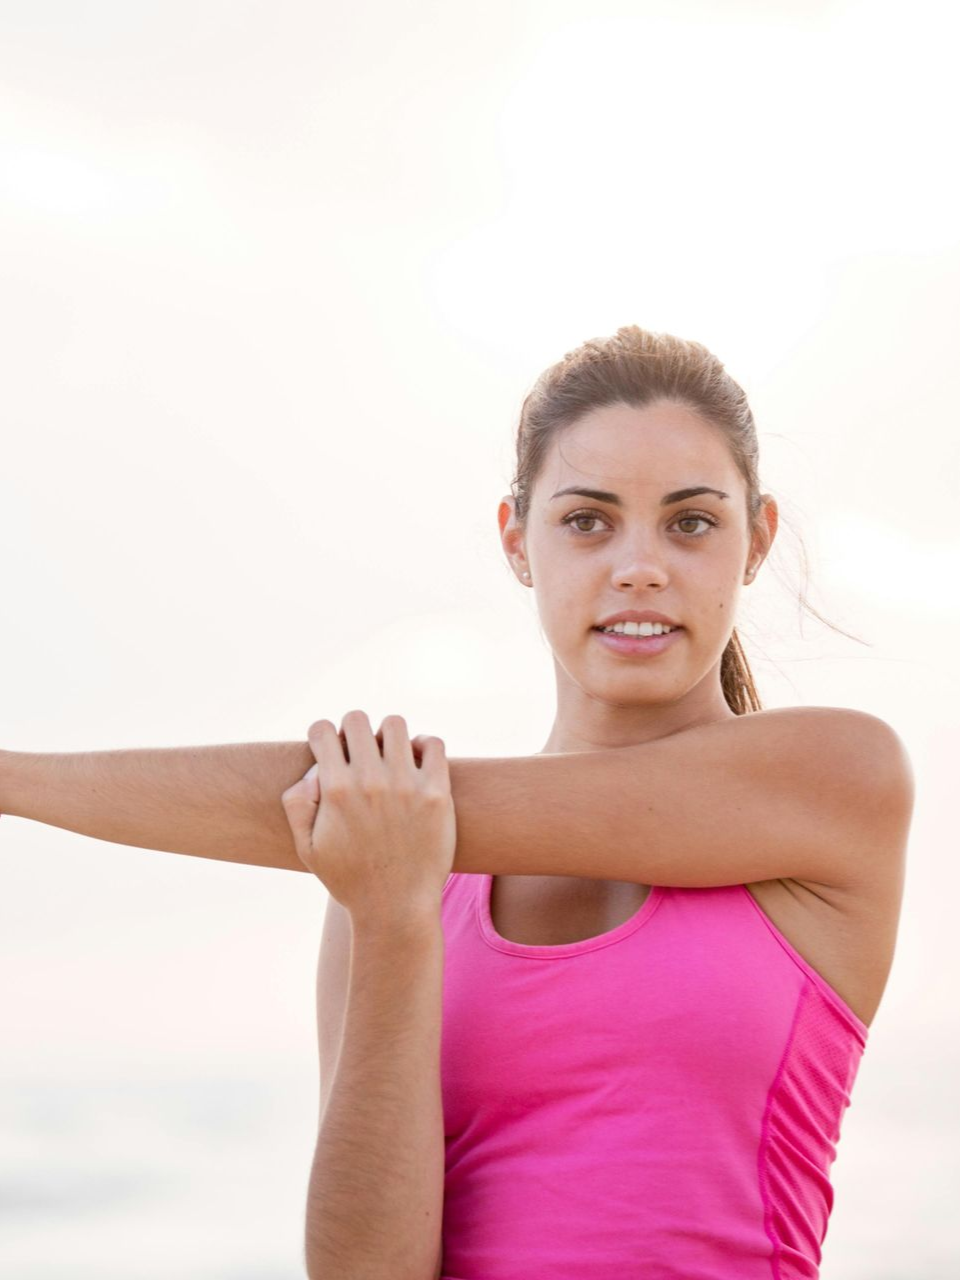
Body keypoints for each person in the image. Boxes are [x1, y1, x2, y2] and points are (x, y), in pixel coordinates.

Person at [0, 325, 914, 1278]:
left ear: (756, 539)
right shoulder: (391, 863)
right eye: (587, 520)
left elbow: (366, 803)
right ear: (517, 540)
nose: (639, 565)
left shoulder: (837, 778)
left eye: (690, 522)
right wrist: (394, 921)